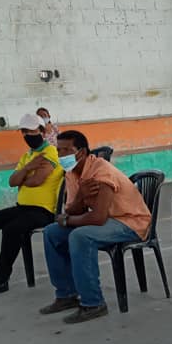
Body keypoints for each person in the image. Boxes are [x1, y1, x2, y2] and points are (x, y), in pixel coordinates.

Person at [39, 130, 152, 323]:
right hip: (109, 220)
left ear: (81, 152)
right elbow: (73, 210)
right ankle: (66, 295)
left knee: (80, 236)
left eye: (66, 150)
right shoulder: (71, 173)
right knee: (52, 232)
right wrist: (80, 197)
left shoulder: (101, 170)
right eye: (59, 151)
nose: (61, 155)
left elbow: (97, 218)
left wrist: (67, 220)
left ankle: (93, 304)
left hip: (129, 221)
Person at [0, 113, 64, 297]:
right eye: (24, 132)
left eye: (31, 131)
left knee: (12, 229)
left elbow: (37, 180)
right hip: (23, 207)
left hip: (43, 210)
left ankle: (1, 279)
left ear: (42, 132)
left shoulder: (50, 152)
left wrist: (23, 177)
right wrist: (28, 168)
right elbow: (12, 181)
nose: (27, 135)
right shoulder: (28, 156)